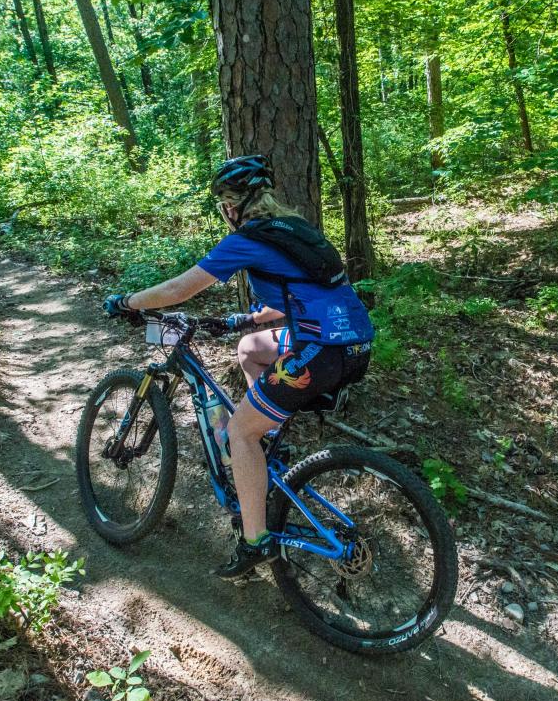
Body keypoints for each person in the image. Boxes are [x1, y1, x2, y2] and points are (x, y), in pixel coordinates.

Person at [103, 155, 374, 579]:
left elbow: (179, 289)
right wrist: (247, 319)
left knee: (237, 433)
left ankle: (255, 541)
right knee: (250, 349)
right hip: (352, 344)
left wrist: (127, 302)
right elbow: (303, 293)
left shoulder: (247, 239)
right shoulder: (295, 230)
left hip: (320, 351)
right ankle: (266, 442)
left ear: (231, 206)